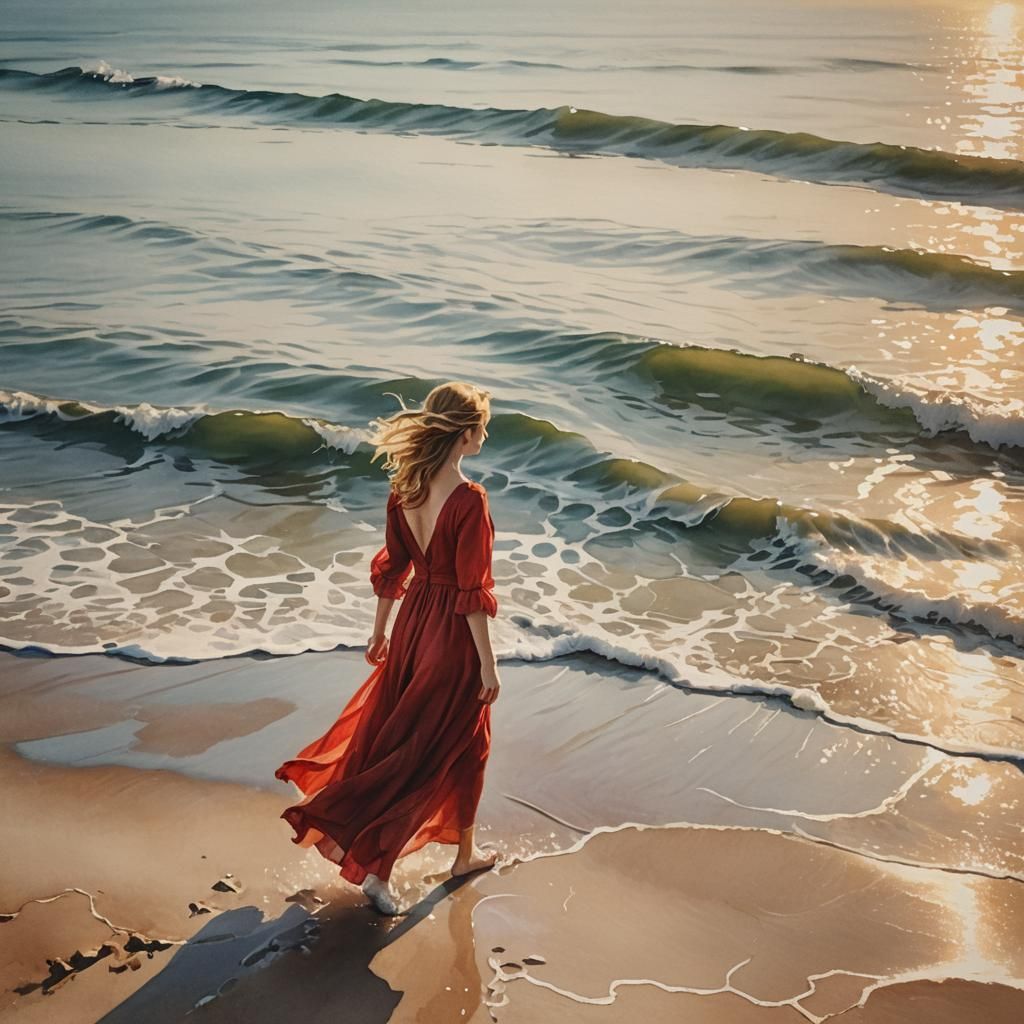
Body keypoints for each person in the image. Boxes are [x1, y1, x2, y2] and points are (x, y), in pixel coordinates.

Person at [274, 381, 502, 915]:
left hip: (412, 627)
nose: (485, 434)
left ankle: (463, 855)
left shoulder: (405, 490)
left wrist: (380, 630)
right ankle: (378, 867)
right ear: (464, 434)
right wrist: (487, 665)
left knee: (452, 745)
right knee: (424, 755)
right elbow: (472, 594)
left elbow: (394, 566)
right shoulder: (469, 499)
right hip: (449, 638)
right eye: (482, 426)